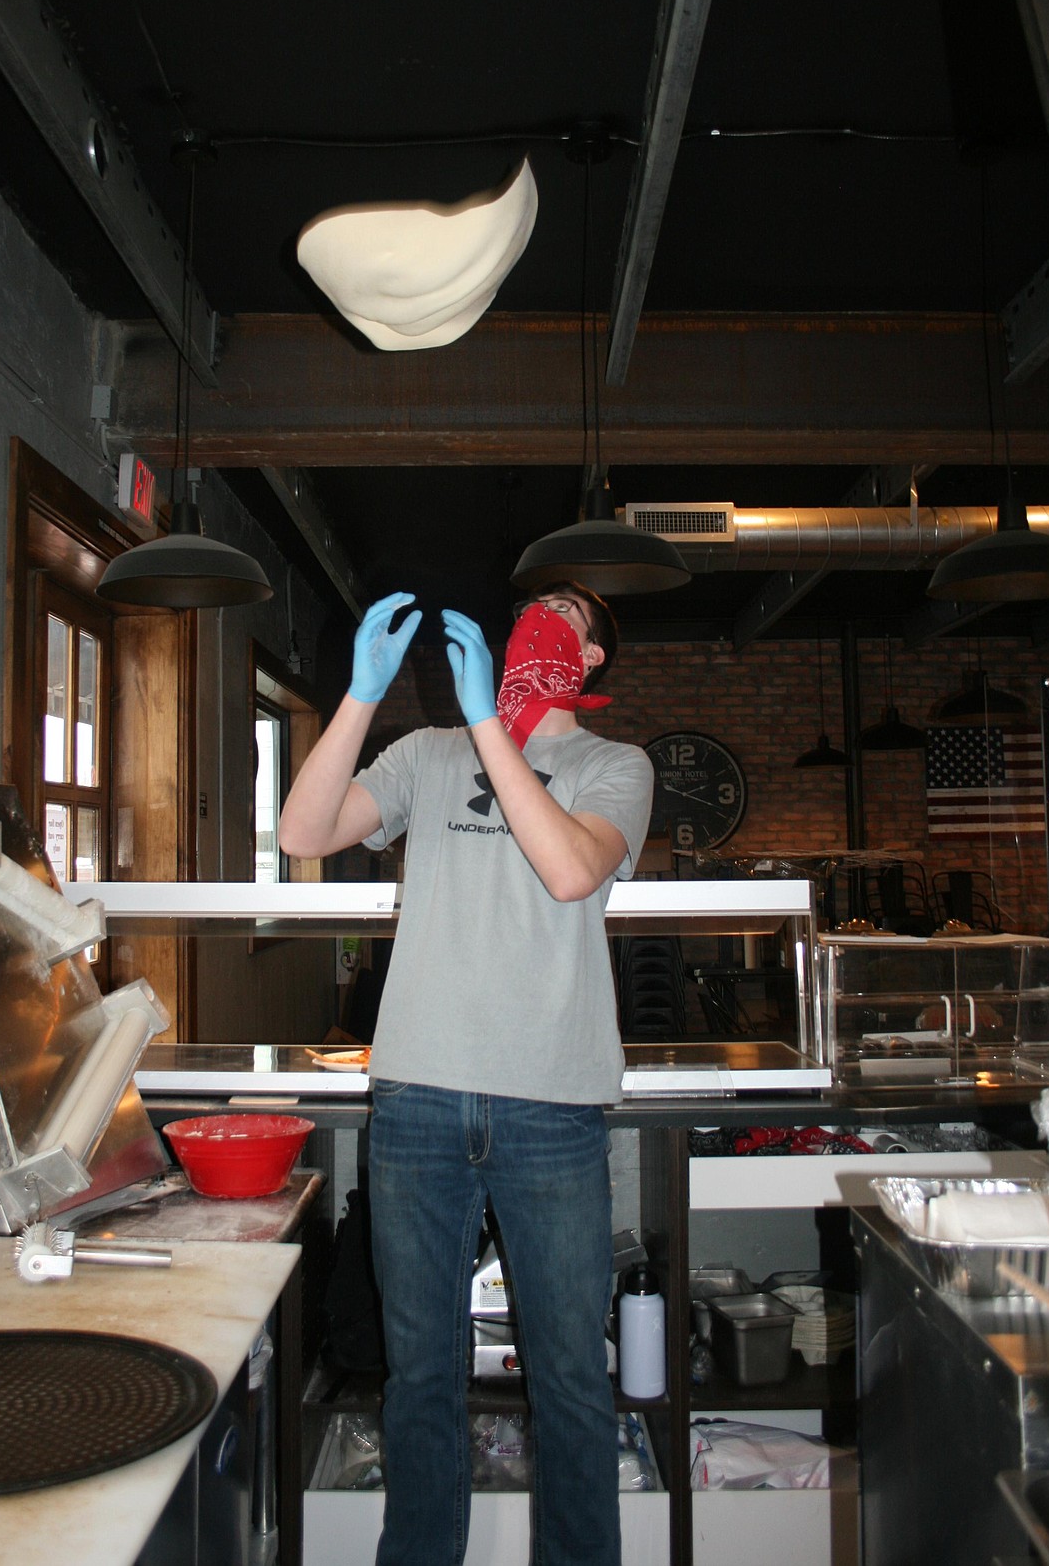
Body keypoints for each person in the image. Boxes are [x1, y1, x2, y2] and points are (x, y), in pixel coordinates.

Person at [279, 581, 654, 1566]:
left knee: (572, 1379)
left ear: (598, 657)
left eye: (572, 614)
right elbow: (301, 833)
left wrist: (493, 718)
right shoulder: (426, 754)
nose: (545, 619)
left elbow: (571, 870)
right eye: (536, 605)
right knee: (419, 1378)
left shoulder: (615, 765)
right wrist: (359, 697)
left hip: (553, 1104)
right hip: (418, 1098)